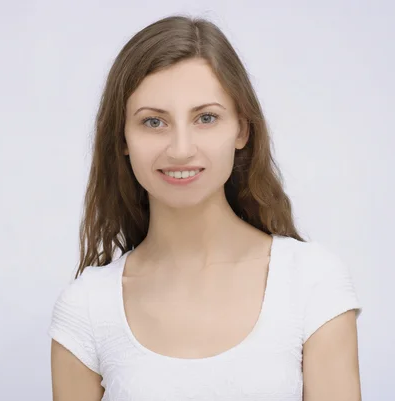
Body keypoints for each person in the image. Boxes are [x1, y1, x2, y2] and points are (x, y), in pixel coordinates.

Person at [48, 15, 362, 401]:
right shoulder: (86, 309)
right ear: (123, 138)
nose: (180, 149)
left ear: (242, 130)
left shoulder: (312, 283)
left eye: (206, 118)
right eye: (153, 122)